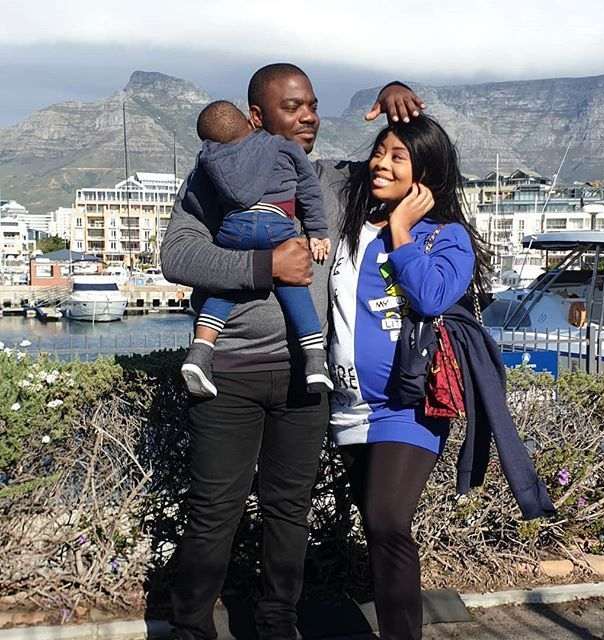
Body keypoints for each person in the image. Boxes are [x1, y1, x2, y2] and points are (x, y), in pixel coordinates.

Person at [160, 63, 425, 640]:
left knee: (289, 510)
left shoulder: (332, 181)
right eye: (292, 107)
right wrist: (266, 265)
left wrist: (398, 102)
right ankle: (190, 627)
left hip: (307, 379)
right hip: (227, 374)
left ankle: (277, 621)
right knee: (214, 511)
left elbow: (415, 166)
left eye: (312, 105)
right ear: (256, 117)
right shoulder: (212, 177)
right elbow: (176, 256)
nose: (308, 116)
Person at [329, 114, 554, 640]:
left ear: (425, 174)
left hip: (408, 406)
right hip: (348, 406)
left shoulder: (446, 237)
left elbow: (431, 297)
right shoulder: (350, 228)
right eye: (379, 152)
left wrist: (401, 231)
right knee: (379, 532)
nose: (381, 164)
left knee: (388, 522)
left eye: (398, 157)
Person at [180, 99, 332, 398]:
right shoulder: (284, 146)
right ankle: (315, 362)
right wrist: (317, 232)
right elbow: (309, 189)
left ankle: (199, 354)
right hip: (276, 224)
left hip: (235, 227)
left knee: (224, 287)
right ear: (250, 121)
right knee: (294, 284)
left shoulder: (209, 157)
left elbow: (197, 202)